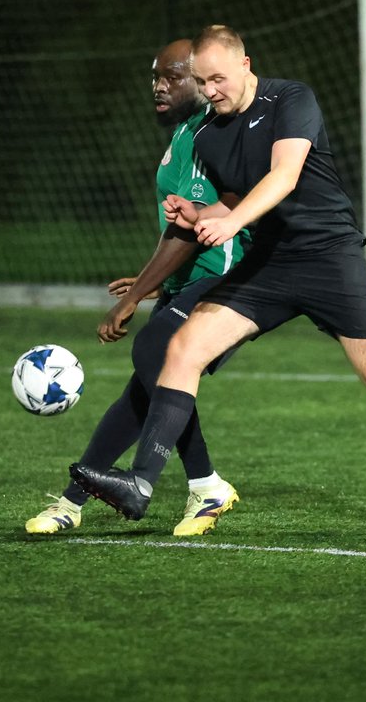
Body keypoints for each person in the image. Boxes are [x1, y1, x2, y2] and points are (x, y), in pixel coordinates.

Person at [72, 25, 366, 538]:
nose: (210, 90)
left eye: (218, 79)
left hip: (329, 259)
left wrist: (230, 223)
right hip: (270, 263)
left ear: (245, 65)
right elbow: (235, 199)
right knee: (182, 347)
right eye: (202, 82)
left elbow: (284, 175)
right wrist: (199, 214)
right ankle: (140, 483)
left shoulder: (291, 98)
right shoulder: (209, 133)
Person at [25, 40, 247, 538]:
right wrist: (152, 279)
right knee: (143, 393)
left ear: (200, 81)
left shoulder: (207, 134)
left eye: (171, 77)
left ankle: (205, 483)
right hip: (191, 280)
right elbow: (177, 229)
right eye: (155, 77)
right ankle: (71, 502)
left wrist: (131, 298)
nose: (158, 87)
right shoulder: (184, 134)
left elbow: (193, 232)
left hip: (225, 279)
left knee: (153, 354)